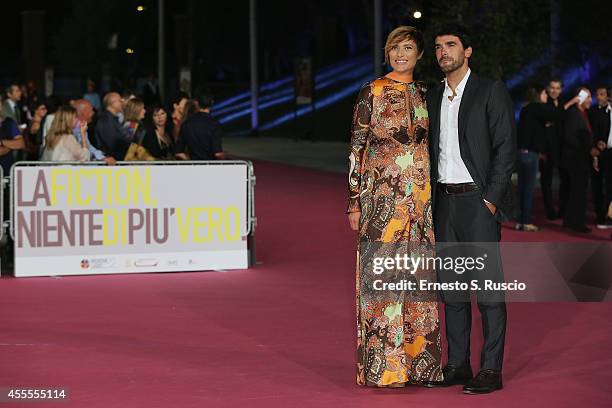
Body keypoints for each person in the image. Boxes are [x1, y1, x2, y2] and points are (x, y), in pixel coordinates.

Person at [347, 26, 442, 387]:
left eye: (407, 48)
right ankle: (385, 369)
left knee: (420, 281)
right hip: (381, 202)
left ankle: (422, 366)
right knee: (382, 281)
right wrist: (353, 203)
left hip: (421, 204)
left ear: (419, 54)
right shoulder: (371, 91)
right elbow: (356, 149)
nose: (400, 54)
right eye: (394, 48)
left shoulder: (424, 94)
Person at [424, 24, 516, 394]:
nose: (443, 52)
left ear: (468, 51)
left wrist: (490, 200)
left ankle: (491, 370)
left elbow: (505, 150)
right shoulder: (432, 96)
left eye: (450, 45)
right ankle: (458, 364)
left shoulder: (489, 91)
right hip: (444, 203)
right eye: (438, 47)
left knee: (489, 292)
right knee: (452, 291)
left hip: (478, 204)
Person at [516, 85, 557, 231]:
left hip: (521, 153)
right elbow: (555, 114)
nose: (547, 96)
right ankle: (526, 221)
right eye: (545, 93)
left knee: (522, 188)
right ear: (540, 94)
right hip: (530, 155)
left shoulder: (526, 109)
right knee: (527, 189)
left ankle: (521, 220)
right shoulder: (537, 108)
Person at [562, 87, 595, 233]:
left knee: (576, 191)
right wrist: (588, 149)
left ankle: (570, 220)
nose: (590, 100)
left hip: (579, 158)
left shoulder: (583, 114)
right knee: (578, 192)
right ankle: (577, 223)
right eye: (587, 97)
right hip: (576, 159)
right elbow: (570, 137)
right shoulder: (574, 114)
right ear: (579, 98)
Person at [542, 79, 567, 219]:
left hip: (562, 148)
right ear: (548, 88)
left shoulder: (562, 103)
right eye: (552, 87)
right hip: (546, 149)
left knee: (564, 179)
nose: (554, 90)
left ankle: (562, 210)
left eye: (557, 88)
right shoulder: (544, 103)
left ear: (561, 89)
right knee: (547, 182)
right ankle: (550, 211)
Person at [175, 92, 225, 160]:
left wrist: (191, 160)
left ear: (196, 103)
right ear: (212, 102)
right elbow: (218, 154)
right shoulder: (214, 124)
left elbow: (179, 153)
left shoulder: (186, 124)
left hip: (193, 168)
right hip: (211, 168)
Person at [588, 86, 612, 229]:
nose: (600, 97)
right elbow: (593, 131)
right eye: (598, 95)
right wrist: (596, 147)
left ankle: (609, 216)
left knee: (610, 186)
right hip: (600, 153)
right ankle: (600, 216)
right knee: (598, 185)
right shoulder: (596, 112)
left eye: (602, 94)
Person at [73, 99, 116, 165]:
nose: (93, 113)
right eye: (91, 110)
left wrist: (102, 156)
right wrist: (102, 158)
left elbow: (89, 146)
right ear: (83, 113)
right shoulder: (77, 128)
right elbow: (86, 147)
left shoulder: (81, 126)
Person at [94, 92, 131, 160]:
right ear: (112, 103)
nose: (122, 102)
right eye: (120, 101)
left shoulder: (113, 119)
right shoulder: (106, 120)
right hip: (112, 162)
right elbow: (112, 143)